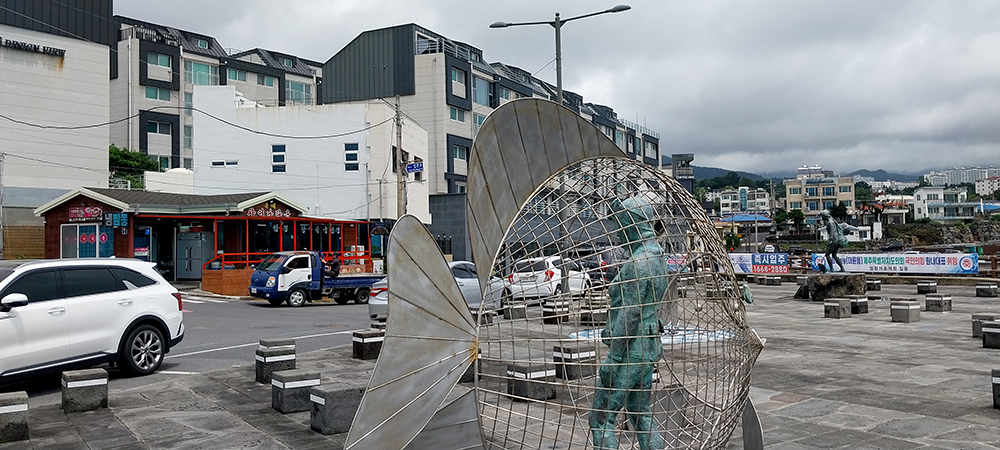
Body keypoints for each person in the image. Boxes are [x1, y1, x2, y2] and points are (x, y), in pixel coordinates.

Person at [590, 196, 666, 450]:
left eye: (622, 228)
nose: (620, 236)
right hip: (649, 345)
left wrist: (614, 357)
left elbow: (630, 314)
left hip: (631, 350)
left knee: (601, 419)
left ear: (633, 226)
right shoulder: (657, 258)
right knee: (640, 413)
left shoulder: (638, 263)